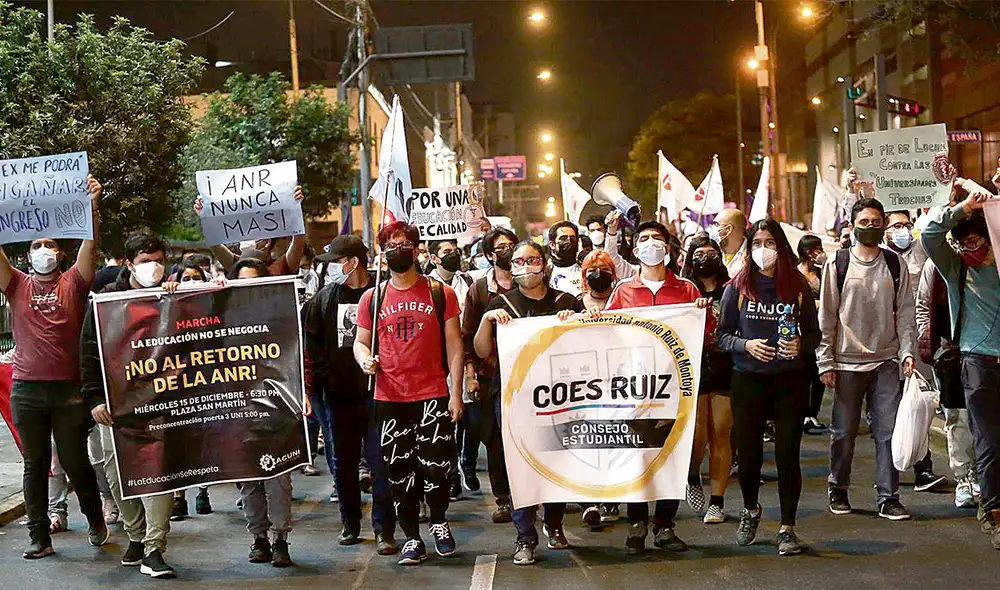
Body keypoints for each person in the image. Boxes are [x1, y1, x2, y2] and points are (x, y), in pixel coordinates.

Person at [1, 175, 107, 559]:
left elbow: (89, 243)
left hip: (69, 391)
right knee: (35, 464)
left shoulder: (74, 281)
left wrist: (91, 205)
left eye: (49, 244)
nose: (42, 249)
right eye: (35, 245)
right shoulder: (15, 284)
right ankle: (38, 537)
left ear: (60, 253)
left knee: (76, 460)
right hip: (27, 390)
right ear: (26, 254)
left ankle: (95, 518)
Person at [354, 221, 464, 566]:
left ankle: (439, 520)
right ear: (382, 254)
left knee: (438, 465)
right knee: (399, 470)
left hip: (431, 393)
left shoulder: (439, 293)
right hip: (389, 398)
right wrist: (364, 361)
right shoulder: (372, 297)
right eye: (389, 245)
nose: (397, 249)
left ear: (416, 249)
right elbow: (360, 342)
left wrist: (455, 393)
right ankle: (412, 537)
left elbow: (455, 348)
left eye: (403, 243)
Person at [474, 239, 583, 565]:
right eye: (518, 262)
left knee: (557, 461)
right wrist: (486, 321)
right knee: (519, 465)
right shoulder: (501, 303)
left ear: (544, 263)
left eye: (532, 261)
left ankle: (554, 523)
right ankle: (525, 537)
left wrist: (578, 318)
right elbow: (481, 351)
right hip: (513, 397)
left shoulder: (566, 301)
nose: (525, 267)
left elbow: (589, 340)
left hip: (559, 396)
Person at [605, 221, 710, 555]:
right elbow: (604, 334)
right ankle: (637, 522)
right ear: (634, 250)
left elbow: (703, 339)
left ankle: (665, 524)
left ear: (668, 248)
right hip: (633, 389)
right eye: (645, 239)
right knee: (637, 456)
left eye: (658, 239)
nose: (652, 244)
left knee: (671, 455)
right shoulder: (623, 291)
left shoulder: (687, 291)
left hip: (674, 387)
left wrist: (705, 316)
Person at [717, 219, 820, 556]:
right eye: (757, 242)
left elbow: (815, 335)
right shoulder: (736, 287)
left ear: (781, 247)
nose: (764, 249)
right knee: (749, 456)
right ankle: (750, 510)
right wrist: (745, 346)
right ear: (749, 248)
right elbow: (722, 335)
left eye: (770, 242)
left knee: (788, 453)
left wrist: (801, 345)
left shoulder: (799, 287)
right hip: (748, 379)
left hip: (789, 380)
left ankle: (787, 527)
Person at [81, 229, 177, 578]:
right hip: (115, 406)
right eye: (145, 261)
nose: (153, 267)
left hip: (162, 402)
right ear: (128, 264)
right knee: (116, 472)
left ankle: (155, 548)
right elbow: (89, 351)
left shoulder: (172, 296)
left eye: (158, 261)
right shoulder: (106, 301)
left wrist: (177, 298)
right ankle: (136, 536)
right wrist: (94, 398)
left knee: (159, 472)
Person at [818, 198, 917, 521]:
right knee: (844, 433)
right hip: (846, 363)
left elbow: (904, 312)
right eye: (865, 222)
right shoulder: (838, 264)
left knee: (888, 432)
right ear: (852, 225)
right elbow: (827, 316)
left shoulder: (894, 263)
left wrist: (907, 352)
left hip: (886, 360)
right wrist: (826, 361)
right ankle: (838, 486)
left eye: (877, 222)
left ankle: (889, 496)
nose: (871, 227)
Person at [306, 235, 397, 555]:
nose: (329, 266)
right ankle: (350, 522)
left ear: (353, 262)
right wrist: (322, 383)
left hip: (381, 395)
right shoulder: (323, 298)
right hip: (338, 396)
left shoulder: (384, 292)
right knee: (341, 463)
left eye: (334, 260)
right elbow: (312, 345)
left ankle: (385, 528)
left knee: (381, 462)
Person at [922, 188, 1000, 549]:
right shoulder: (955, 268)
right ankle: (995, 512)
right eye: (964, 243)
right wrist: (960, 208)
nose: (972, 249)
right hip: (975, 361)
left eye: (977, 241)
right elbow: (929, 234)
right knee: (987, 440)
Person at [219, 257, 296, 567]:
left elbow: (294, 354)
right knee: (249, 478)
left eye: (255, 281)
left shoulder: (282, 315)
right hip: (238, 406)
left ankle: (280, 539)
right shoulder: (222, 316)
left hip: (277, 406)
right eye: (242, 281)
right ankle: (259, 538)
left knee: (279, 478)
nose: (248, 287)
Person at [884, 209, 945, 492]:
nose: (903, 230)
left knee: (918, 405)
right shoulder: (876, 257)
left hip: (914, 343)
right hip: (882, 347)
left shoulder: (921, 251)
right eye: (896, 225)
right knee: (887, 410)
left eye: (907, 224)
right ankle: (887, 473)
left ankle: (924, 469)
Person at [461, 227, 518, 523]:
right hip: (490, 375)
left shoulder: (531, 284)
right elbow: (467, 336)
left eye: (512, 245)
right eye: (502, 247)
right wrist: (470, 375)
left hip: (525, 377)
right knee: (495, 440)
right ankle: (503, 498)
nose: (509, 251)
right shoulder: (479, 290)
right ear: (489, 256)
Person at [680, 234, 734, 524]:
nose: (705, 258)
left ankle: (717, 500)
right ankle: (691, 474)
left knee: (721, 432)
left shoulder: (732, 289)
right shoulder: (684, 290)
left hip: (725, 366)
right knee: (698, 435)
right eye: (699, 253)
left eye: (710, 252)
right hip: (693, 368)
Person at [916, 256, 977, 509]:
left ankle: (984, 475)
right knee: (957, 417)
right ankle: (964, 478)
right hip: (951, 351)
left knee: (986, 418)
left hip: (986, 352)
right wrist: (933, 350)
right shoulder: (938, 262)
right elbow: (923, 307)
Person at [576, 249, 621, 527]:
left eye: (604, 268)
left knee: (614, 440)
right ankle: (590, 499)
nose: (598, 273)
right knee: (587, 442)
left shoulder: (624, 301)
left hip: (617, 380)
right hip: (584, 382)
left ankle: (612, 495)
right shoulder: (571, 302)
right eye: (592, 269)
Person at [193, 186, 306, 276]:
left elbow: (298, 245)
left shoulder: (280, 267)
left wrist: (295, 208)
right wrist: (205, 216)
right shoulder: (237, 265)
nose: (246, 237)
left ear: (267, 242)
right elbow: (215, 244)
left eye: (253, 233)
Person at [795, 235, 828, 434]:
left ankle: (812, 414)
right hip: (799, 329)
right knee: (803, 373)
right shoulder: (794, 273)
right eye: (818, 249)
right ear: (809, 252)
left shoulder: (824, 273)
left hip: (821, 327)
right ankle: (801, 413)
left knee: (818, 373)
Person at [547, 220, 584, 296]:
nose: (569, 241)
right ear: (552, 245)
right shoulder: (547, 273)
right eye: (563, 238)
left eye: (572, 238)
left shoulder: (585, 266)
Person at [708, 209, 748, 276]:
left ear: (728, 229)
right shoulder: (711, 251)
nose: (711, 227)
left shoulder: (752, 254)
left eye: (716, 224)